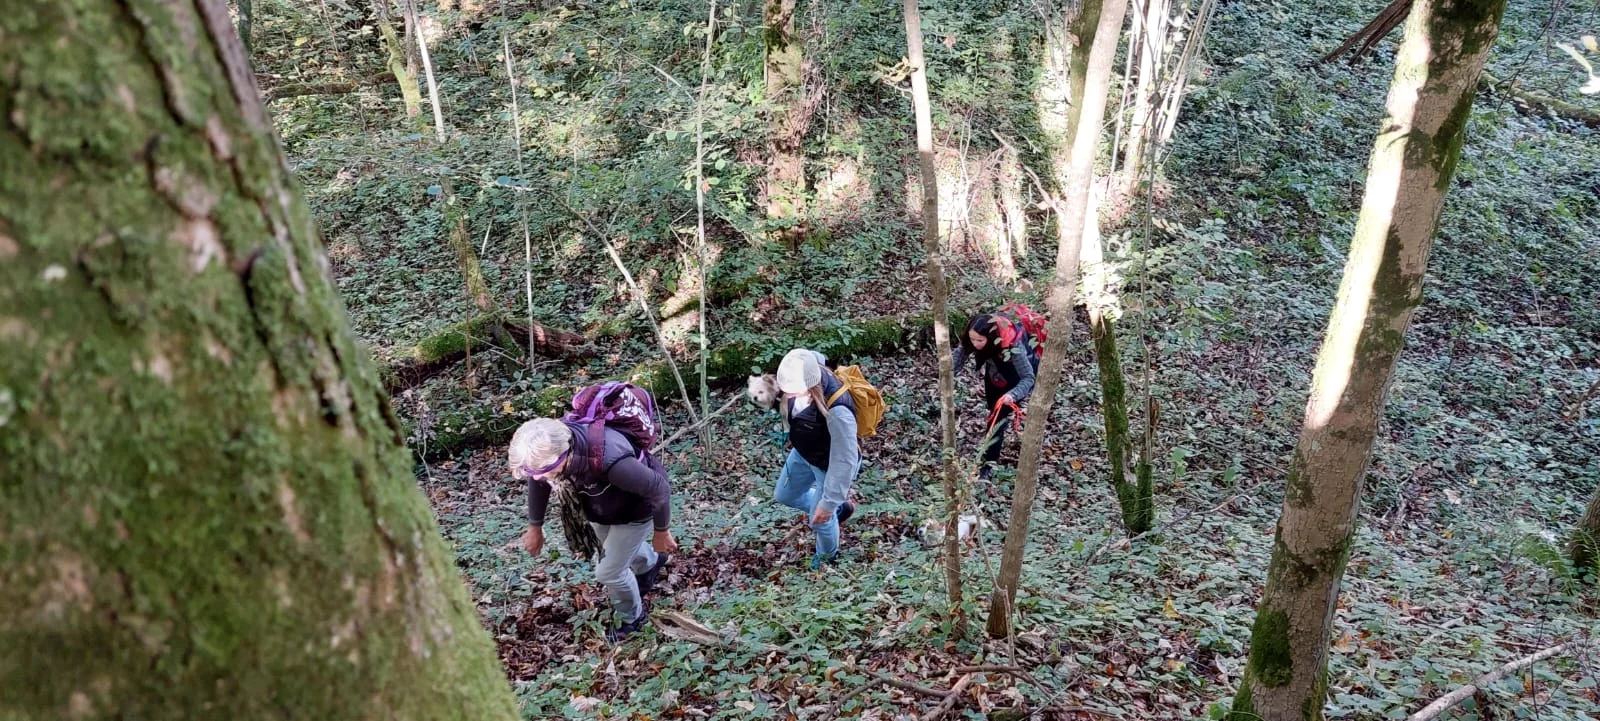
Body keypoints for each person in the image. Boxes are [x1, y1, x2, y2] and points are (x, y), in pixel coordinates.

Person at [509, 417, 677, 641]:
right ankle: (650, 562)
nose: (538, 476)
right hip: (598, 507)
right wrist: (535, 527)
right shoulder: (549, 456)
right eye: (532, 472)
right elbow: (538, 483)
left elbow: (659, 489)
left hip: (636, 510)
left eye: (544, 469)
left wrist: (662, 531)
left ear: (565, 452)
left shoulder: (609, 458)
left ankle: (632, 619)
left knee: (609, 571)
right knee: (614, 550)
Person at [772, 348, 860, 569]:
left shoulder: (838, 411)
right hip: (804, 453)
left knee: (819, 520)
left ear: (809, 386)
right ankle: (839, 509)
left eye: (792, 392)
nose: (787, 396)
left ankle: (827, 558)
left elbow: (845, 460)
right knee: (784, 495)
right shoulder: (805, 362)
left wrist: (828, 503)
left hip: (828, 465)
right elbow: (804, 355)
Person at [952, 312, 1037, 479]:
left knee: (998, 421)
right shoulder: (975, 338)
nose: (975, 344)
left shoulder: (1013, 347)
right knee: (993, 414)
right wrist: (948, 372)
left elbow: (1028, 378)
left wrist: (1013, 395)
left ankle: (987, 465)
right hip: (994, 377)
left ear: (991, 338)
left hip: (1014, 381)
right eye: (972, 339)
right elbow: (961, 353)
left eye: (980, 341)